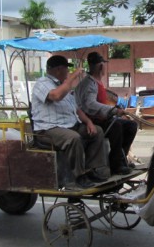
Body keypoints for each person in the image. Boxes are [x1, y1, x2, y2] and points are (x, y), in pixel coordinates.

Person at [31, 54, 110, 190]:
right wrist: (73, 77)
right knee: (73, 138)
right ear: (58, 70)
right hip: (48, 129)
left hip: (69, 125)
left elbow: (77, 109)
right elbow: (55, 96)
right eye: (66, 70)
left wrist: (88, 122)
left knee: (97, 131)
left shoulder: (64, 86)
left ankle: (92, 169)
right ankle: (78, 176)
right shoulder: (42, 83)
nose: (68, 73)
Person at [76, 51, 138, 175]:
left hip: (101, 117)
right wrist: (113, 110)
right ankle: (115, 165)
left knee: (131, 125)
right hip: (91, 120)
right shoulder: (89, 84)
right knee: (117, 127)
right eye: (103, 64)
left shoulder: (96, 82)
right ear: (100, 67)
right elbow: (90, 105)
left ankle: (121, 159)